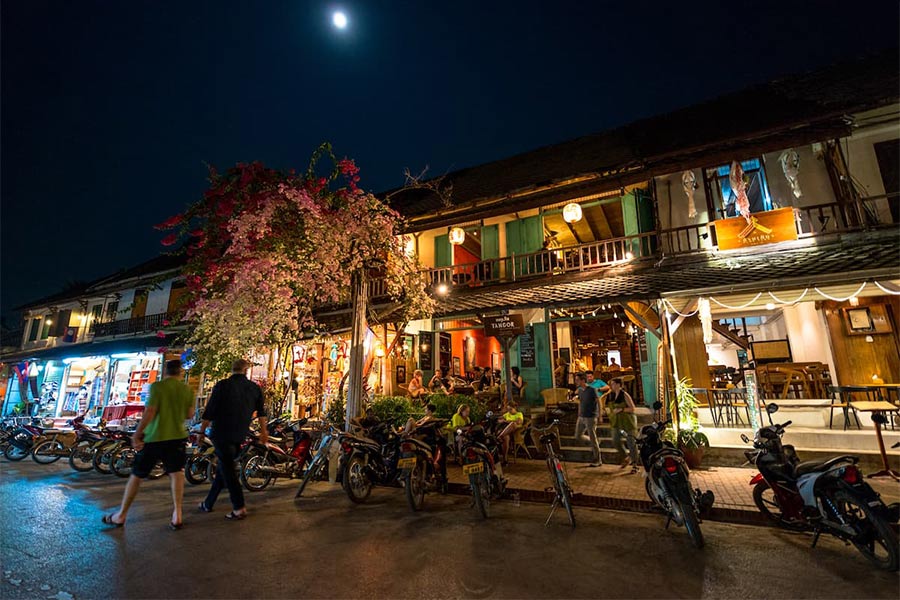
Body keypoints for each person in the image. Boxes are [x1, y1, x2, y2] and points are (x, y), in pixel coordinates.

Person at [102, 359, 194, 529]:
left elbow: (150, 412)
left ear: (166, 371)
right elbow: (189, 414)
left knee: (137, 475)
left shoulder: (157, 387)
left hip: (155, 437)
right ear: (181, 372)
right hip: (177, 437)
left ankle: (121, 515)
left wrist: (137, 433)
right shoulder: (187, 389)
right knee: (176, 474)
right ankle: (177, 514)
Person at [198, 359, 267, 520]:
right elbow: (262, 413)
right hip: (239, 434)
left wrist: (201, 432)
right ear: (245, 371)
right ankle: (208, 503)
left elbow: (209, 411)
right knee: (224, 468)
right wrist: (264, 431)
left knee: (227, 470)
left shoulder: (222, 386)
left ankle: (239, 506)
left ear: (233, 370)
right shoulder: (254, 388)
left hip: (221, 434)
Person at [606, 377, 638, 472]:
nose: (611, 386)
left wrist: (621, 409)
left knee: (631, 443)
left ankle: (635, 464)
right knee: (615, 440)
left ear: (618, 385)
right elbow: (608, 407)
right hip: (616, 422)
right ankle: (626, 456)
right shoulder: (610, 395)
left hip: (628, 422)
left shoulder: (624, 395)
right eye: (611, 384)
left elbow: (632, 408)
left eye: (613, 384)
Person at [574, 372, 602, 467]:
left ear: (583, 380)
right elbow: (580, 402)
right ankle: (595, 442)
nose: (576, 382)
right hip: (581, 416)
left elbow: (599, 402)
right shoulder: (580, 390)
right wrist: (579, 412)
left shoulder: (592, 390)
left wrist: (600, 415)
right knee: (578, 435)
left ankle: (597, 459)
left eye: (577, 380)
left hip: (591, 416)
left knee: (593, 437)